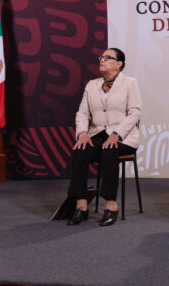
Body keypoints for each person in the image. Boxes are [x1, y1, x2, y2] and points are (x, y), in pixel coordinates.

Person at [66, 48, 141, 227]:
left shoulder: (130, 83)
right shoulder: (92, 85)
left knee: (110, 150)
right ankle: (81, 205)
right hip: (97, 134)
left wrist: (117, 134)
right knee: (80, 150)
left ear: (119, 63)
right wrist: (83, 133)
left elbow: (135, 112)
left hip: (123, 137)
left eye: (108, 58)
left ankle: (111, 206)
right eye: (101, 57)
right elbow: (82, 113)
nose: (102, 60)